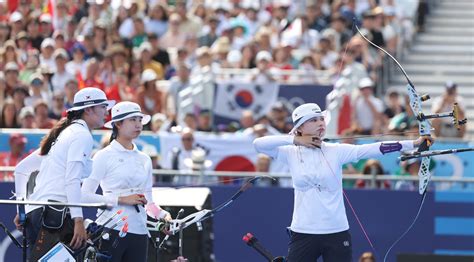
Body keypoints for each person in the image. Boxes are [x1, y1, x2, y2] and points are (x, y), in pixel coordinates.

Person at [253, 103, 433, 262]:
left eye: (321, 119)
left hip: (336, 232)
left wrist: (414, 143)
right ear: (300, 127)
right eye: (313, 120)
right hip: (303, 232)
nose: (320, 123)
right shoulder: (289, 152)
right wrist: (295, 140)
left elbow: (373, 148)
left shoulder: (336, 151)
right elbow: (258, 144)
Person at [28, 87, 115, 260]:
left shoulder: (69, 132)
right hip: (53, 216)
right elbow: (72, 180)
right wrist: (78, 220)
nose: (107, 111)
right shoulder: (81, 135)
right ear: (88, 109)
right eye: (103, 106)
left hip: (45, 213)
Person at [81, 101, 170, 261]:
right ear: (117, 124)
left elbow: (148, 203)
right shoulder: (103, 155)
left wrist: (164, 216)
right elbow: (85, 196)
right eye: (132, 120)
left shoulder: (145, 159)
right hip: (110, 230)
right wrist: (122, 200)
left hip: (140, 233)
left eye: (139, 120)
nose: (138, 124)